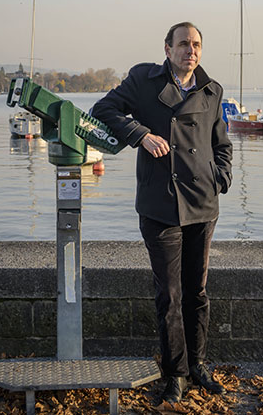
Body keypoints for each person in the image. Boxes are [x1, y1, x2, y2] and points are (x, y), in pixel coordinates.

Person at [90, 21, 232, 405]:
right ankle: (176, 373)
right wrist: (140, 134)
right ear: (167, 48)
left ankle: (197, 365)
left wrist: (220, 176)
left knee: (196, 292)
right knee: (168, 295)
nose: (191, 50)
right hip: (160, 204)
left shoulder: (212, 89)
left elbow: (222, 143)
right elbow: (103, 109)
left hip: (202, 203)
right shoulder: (143, 79)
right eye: (184, 43)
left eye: (197, 44)